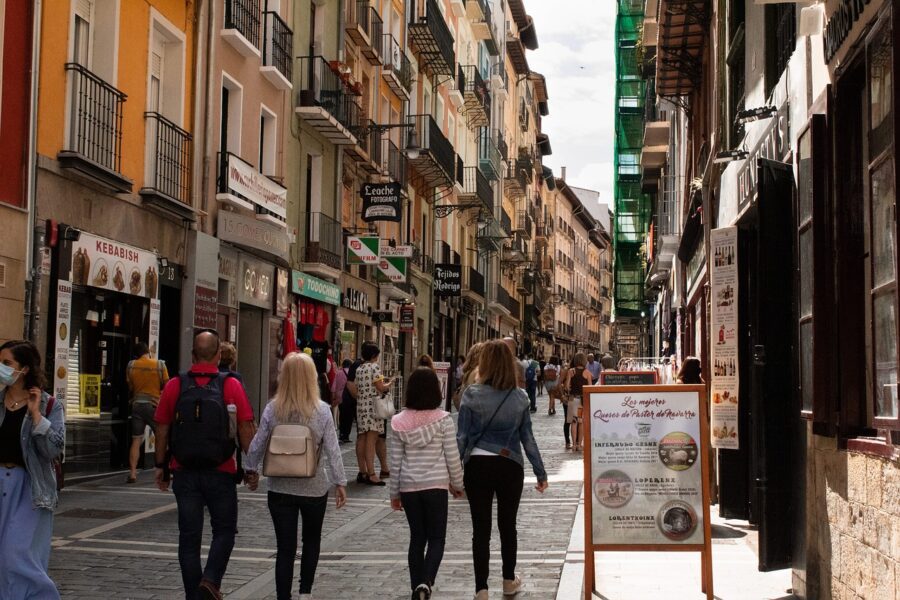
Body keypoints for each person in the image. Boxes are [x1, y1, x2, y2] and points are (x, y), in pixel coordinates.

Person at [154, 330, 257, 600]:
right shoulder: (230, 385)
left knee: (189, 538)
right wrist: (252, 465)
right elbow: (245, 427)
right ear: (219, 355)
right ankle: (210, 581)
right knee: (224, 530)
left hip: (184, 471)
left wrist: (160, 466)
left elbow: (162, 427)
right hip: (221, 471)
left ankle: (194, 594)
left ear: (192, 355)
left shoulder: (175, 385)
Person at [246, 352, 347, 599]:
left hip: (280, 487)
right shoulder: (322, 411)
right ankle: (305, 593)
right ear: (313, 378)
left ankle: (283, 596)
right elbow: (333, 450)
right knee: (311, 542)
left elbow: (258, 443)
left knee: (285, 548)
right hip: (314, 487)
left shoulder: (273, 408)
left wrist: (251, 470)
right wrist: (340, 483)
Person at [457, 340, 548, 600]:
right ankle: (509, 580)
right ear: (509, 366)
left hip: (478, 466)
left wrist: (453, 474)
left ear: (483, 364)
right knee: (508, 526)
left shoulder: (471, 394)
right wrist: (540, 473)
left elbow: (461, 439)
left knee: (480, 530)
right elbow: (528, 439)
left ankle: (481, 588)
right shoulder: (520, 397)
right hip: (510, 467)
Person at [389, 367, 465, 600]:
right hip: (435, 487)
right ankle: (426, 582)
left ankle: (417, 587)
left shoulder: (398, 422)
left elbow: (395, 461)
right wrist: (458, 484)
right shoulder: (443, 420)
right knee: (437, 538)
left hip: (409, 487)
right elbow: (452, 456)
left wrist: (394, 493)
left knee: (416, 539)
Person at [0, 340, 64, 599]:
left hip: (31, 489)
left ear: (24, 369)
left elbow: (54, 450)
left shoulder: (50, 405)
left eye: (7, 363)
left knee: (16, 556)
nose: (2, 368)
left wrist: (36, 416)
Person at [125, 341, 169, 483]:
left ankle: (132, 473)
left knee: (136, 439)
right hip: (154, 406)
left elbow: (130, 386)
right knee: (161, 438)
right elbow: (167, 386)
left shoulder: (131, 365)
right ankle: (163, 469)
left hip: (137, 405)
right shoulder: (159, 365)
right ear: (148, 352)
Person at [355, 342, 394, 486]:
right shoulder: (374, 367)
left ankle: (362, 471)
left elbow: (357, 387)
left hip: (361, 407)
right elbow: (381, 387)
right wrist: (390, 383)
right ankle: (372, 474)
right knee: (371, 441)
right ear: (374, 355)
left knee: (361, 439)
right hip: (373, 408)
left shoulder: (359, 368)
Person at [567, 353, 593, 453]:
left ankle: (573, 444)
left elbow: (567, 386)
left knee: (574, 422)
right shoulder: (587, 372)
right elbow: (590, 388)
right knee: (581, 422)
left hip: (573, 399)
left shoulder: (571, 371)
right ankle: (579, 444)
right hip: (582, 400)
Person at [340, 355, 363, 444]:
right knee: (350, 418)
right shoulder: (358, 368)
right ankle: (347, 436)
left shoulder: (340, 372)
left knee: (345, 418)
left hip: (344, 398)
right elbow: (350, 384)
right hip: (351, 398)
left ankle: (343, 435)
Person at [331, 358, 350, 431]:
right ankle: (345, 431)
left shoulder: (338, 373)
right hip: (348, 395)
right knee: (347, 414)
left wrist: (333, 397)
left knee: (340, 412)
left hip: (339, 395)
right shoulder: (352, 372)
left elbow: (333, 386)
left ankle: (336, 425)